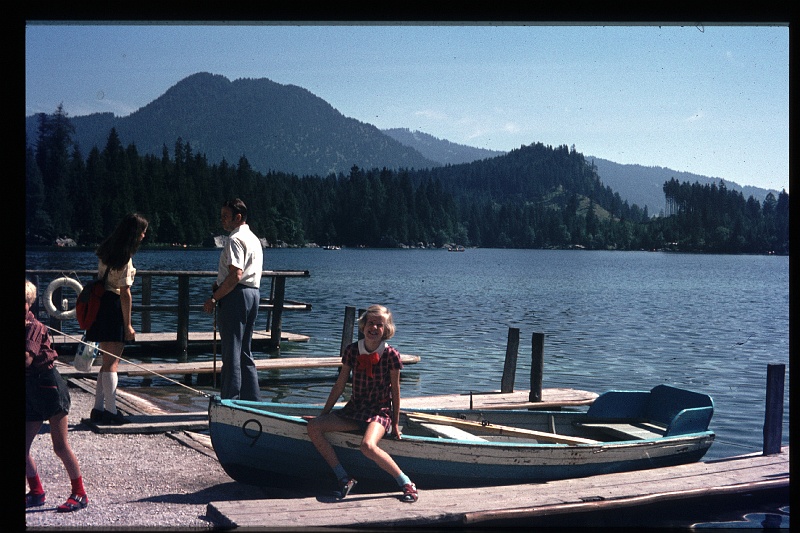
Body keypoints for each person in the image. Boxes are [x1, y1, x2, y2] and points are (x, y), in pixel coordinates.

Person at [307, 305, 418, 503]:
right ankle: (344, 478)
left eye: (379, 325)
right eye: (370, 323)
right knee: (314, 427)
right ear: (363, 325)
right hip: (354, 409)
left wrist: (395, 424)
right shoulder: (351, 350)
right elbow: (340, 385)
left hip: (379, 412)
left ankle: (406, 483)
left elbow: (395, 392)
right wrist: (324, 415)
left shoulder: (391, 355)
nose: (374, 328)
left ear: (387, 329)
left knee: (367, 446)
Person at [26, 279, 89, 512]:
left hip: (50, 388)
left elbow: (27, 359)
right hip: (30, 389)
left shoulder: (34, 327)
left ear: (29, 304)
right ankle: (36, 492)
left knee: (60, 446)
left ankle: (80, 493)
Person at [85, 212, 148, 425]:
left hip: (101, 306)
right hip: (114, 308)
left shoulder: (106, 251)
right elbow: (125, 293)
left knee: (105, 362)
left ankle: (98, 408)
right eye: (142, 231)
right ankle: (112, 412)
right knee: (113, 363)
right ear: (134, 233)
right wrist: (128, 325)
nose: (144, 235)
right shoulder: (125, 259)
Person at [203, 198, 263, 400]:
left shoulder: (235, 239)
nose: (222, 220)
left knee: (231, 352)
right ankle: (252, 401)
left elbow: (236, 274)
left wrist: (214, 297)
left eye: (225, 216)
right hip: (253, 293)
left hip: (236, 296)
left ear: (238, 217)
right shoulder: (254, 238)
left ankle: (230, 401)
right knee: (245, 351)